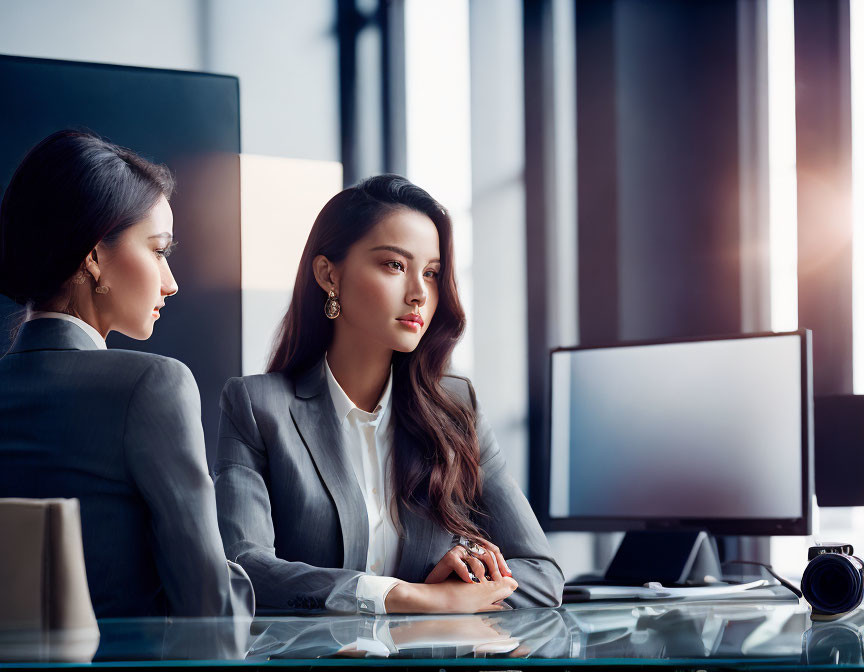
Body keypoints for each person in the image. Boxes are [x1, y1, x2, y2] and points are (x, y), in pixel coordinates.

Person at [215, 174, 563, 614]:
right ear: (328, 274)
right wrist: (403, 595)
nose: (419, 293)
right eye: (394, 265)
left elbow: (542, 574)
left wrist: (463, 586)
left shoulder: (457, 410)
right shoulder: (258, 407)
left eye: (432, 273)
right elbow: (242, 569)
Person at [0, 130, 253, 618]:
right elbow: (212, 612)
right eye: (158, 251)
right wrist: (233, 571)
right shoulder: (153, 386)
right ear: (93, 256)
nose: (171, 283)